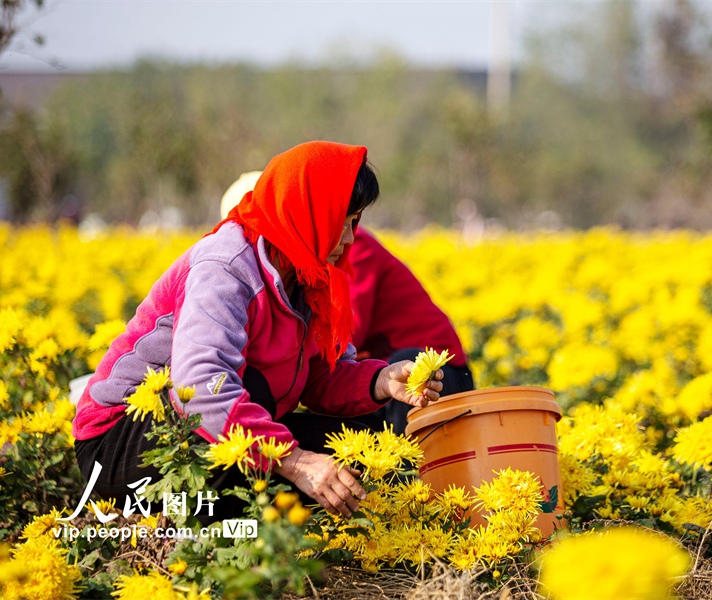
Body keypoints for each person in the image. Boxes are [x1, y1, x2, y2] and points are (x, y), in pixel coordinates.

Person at [72, 141, 443, 521]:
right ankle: (196, 530)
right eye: (341, 221)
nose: (349, 238)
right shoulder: (227, 266)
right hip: (121, 440)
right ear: (308, 211)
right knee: (260, 406)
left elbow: (317, 376)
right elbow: (202, 387)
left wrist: (380, 380)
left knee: (360, 447)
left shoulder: (307, 274)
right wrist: (296, 462)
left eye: (354, 222)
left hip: (206, 424)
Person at [221, 173, 474, 436]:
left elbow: (348, 330)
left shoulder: (345, 247)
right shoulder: (248, 264)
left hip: (437, 374)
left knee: (396, 389)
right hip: (385, 366)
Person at [348, 228, 474, 434]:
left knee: (409, 368)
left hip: (441, 376)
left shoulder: (353, 244)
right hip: (384, 371)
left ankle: (409, 466)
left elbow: (351, 330)